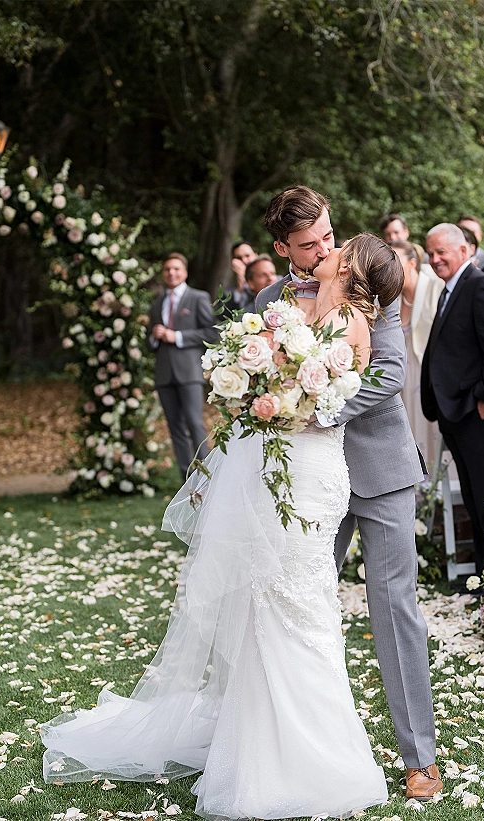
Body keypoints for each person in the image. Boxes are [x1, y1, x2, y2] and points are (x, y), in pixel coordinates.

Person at [40, 234, 395, 818]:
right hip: (296, 464)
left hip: (307, 473)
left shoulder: (350, 319)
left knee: (294, 605)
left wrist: (271, 382)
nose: (330, 250)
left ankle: (309, 757)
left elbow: (308, 391)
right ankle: (262, 747)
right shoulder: (312, 307)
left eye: (341, 246)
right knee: (270, 603)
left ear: (352, 266)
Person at [259, 186, 442, 801]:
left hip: (380, 468)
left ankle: (420, 756)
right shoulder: (267, 301)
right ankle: (301, 752)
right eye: (309, 245)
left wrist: (320, 415)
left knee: (395, 611)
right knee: (298, 608)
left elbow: (390, 373)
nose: (325, 251)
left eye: (328, 236)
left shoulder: (370, 277)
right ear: (283, 247)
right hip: (309, 484)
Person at [421, 224, 484, 573]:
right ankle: (482, 573)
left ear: (464, 250)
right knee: (474, 501)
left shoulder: (480, 285)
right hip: (455, 414)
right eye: (431, 253)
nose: (435, 259)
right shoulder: (450, 290)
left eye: (441, 251)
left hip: (477, 413)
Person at [146, 252, 218, 478]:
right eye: (167, 269)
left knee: (194, 422)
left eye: (176, 268)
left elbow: (212, 333)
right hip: (164, 374)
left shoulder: (198, 298)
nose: (171, 273)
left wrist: (176, 336)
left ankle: (205, 475)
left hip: (189, 372)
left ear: (185, 272)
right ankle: (185, 479)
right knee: (175, 428)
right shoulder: (157, 304)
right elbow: (148, 343)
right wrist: (154, 337)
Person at [391, 240, 444, 467]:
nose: (388, 268)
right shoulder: (389, 297)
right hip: (401, 378)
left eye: (395, 261)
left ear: (413, 263)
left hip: (427, 373)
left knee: (430, 431)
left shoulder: (435, 286)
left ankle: (440, 490)